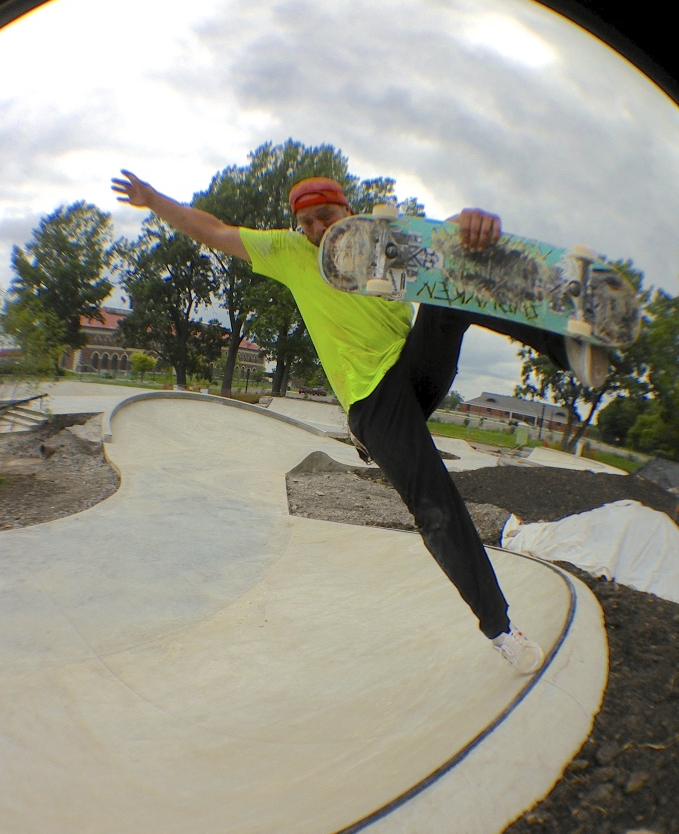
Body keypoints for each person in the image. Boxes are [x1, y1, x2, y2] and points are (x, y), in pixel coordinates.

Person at [111, 170, 554, 674]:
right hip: (372, 405)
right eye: (306, 222)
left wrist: (469, 225)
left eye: (326, 217)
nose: (317, 229)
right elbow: (208, 228)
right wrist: (153, 200)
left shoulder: (386, 243)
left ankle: (564, 342)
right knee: (436, 505)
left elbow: (440, 240)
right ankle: (500, 629)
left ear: (348, 212)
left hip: (415, 370)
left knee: (448, 292)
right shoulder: (288, 251)